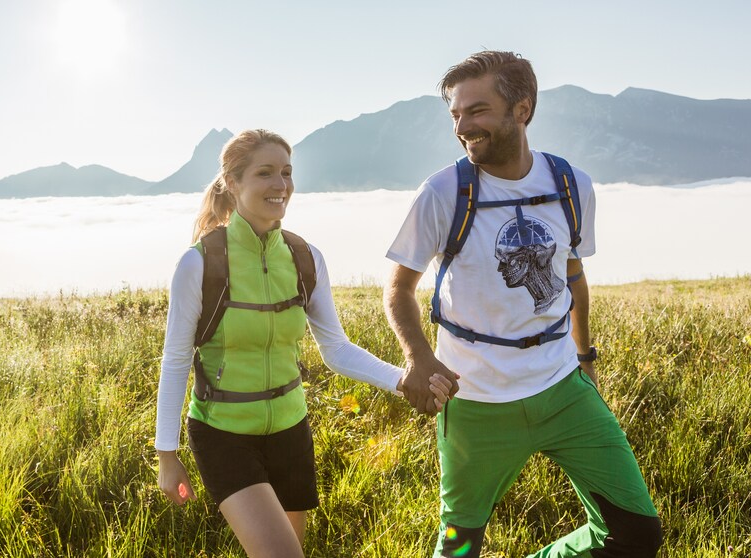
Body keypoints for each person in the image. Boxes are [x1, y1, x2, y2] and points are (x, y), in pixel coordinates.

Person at [383, 52, 663, 557]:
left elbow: (572, 274)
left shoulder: (571, 185)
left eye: (478, 111)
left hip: (564, 390)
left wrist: (585, 359)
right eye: (456, 115)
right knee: (458, 549)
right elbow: (398, 289)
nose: (464, 126)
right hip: (474, 404)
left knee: (636, 535)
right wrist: (419, 358)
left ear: (522, 110)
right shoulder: (443, 192)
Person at [154, 129, 453, 558]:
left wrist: (403, 381)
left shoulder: (304, 257)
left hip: (291, 432)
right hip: (224, 435)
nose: (281, 185)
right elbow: (176, 359)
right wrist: (167, 454)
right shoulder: (199, 263)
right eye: (266, 173)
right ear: (233, 183)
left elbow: (336, 349)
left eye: (287, 173)